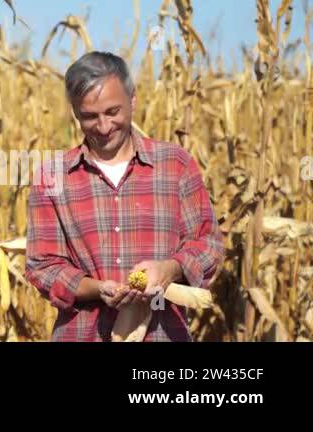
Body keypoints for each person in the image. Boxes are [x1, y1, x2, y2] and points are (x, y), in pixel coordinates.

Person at [25, 51, 224, 341]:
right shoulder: (51, 177)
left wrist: (169, 269)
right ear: (75, 113)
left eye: (113, 112)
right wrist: (96, 288)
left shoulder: (175, 164)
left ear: (133, 100)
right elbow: (43, 266)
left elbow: (209, 244)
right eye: (90, 117)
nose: (104, 127)